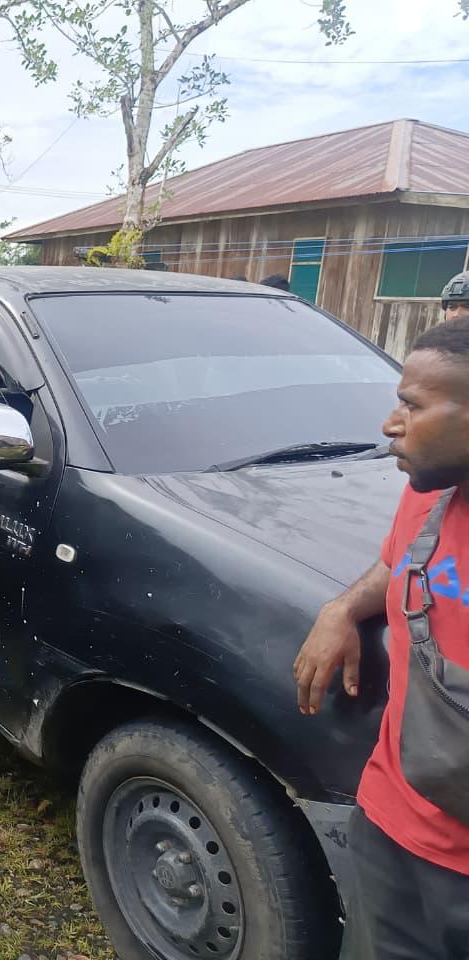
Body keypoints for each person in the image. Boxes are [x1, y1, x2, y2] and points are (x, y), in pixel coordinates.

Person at [294, 318, 469, 957]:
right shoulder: (432, 496)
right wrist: (343, 607)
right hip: (389, 827)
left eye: (412, 406)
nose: (390, 424)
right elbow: (400, 564)